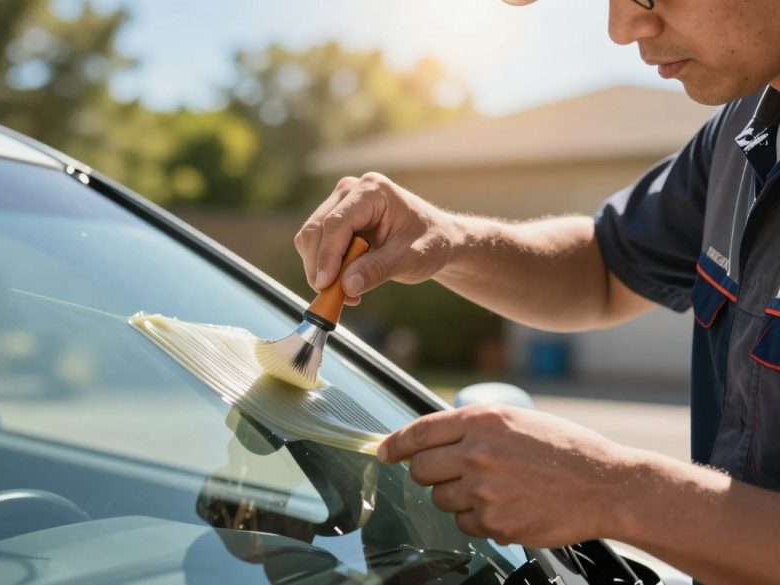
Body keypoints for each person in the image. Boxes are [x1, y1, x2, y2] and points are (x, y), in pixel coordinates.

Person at [293, 0, 780, 583]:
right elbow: (603, 269)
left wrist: (613, 490)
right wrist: (447, 238)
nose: (623, 28)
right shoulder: (743, 132)